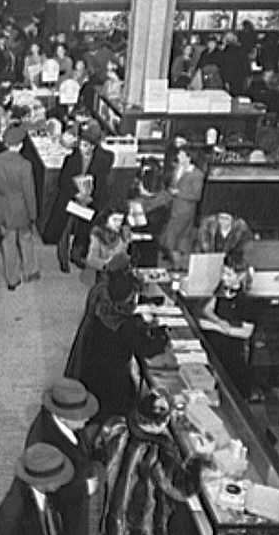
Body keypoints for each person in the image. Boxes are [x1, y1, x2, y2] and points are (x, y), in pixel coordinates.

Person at [97, 391, 205, 535]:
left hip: (116, 503)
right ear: (160, 423)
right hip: (140, 514)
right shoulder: (158, 452)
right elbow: (180, 488)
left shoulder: (119, 429)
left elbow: (102, 451)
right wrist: (198, 461)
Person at [24, 379, 101, 535]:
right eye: (82, 415)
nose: (88, 418)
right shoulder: (45, 442)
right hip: (65, 512)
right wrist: (85, 486)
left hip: (71, 505)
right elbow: (50, 487)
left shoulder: (56, 425)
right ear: (65, 416)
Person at [65, 262, 166, 420]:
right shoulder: (125, 326)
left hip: (92, 373)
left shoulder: (102, 303)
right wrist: (162, 334)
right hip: (112, 385)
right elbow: (148, 349)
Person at [43, 120, 114, 273]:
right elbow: (63, 181)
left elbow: (102, 183)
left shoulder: (106, 158)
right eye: (81, 144)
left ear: (94, 145)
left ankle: (77, 254)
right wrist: (76, 194)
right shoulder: (71, 158)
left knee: (84, 229)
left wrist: (89, 197)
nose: (82, 148)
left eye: (86, 145)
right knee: (65, 229)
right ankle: (63, 258)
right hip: (71, 200)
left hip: (90, 201)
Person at [0, 123, 39, 291]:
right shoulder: (25, 165)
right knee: (26, 239)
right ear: (20, 144)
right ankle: (30, 271)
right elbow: (29, 193)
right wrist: (33, 214)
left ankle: (12, 279)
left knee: (8, 243)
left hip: (2, 206)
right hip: (21, 208)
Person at [201, 262, 259, 401]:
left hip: (231, 351)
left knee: (230, 393)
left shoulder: (247, 300)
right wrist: (218, 321)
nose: (223, 277)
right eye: (223, 272)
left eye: (228, 274)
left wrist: (217, 327)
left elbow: (246, 332)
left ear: (240, 276)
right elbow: (207, 309)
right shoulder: (223, 288)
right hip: (213, 344)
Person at [159, 147, 205, 271]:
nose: (178, 156)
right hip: (173, 208)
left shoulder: (197, 174)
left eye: (181, 154)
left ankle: (178, 267)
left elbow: (196, 195)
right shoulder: (177, 169)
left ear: (189, 157)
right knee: (174, 240)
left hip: (184, 212)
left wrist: (178, 193)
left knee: (173, 239)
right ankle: (177, 265)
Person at [85, 204, 132, 276]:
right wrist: (106, 263)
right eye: (115, 220)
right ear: (106, 220)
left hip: (124, 270)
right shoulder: (98, 234)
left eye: (120, 220)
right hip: (106, 273)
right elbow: (91, 260)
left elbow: (127, 250)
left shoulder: (123, 231)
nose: (118, 223)